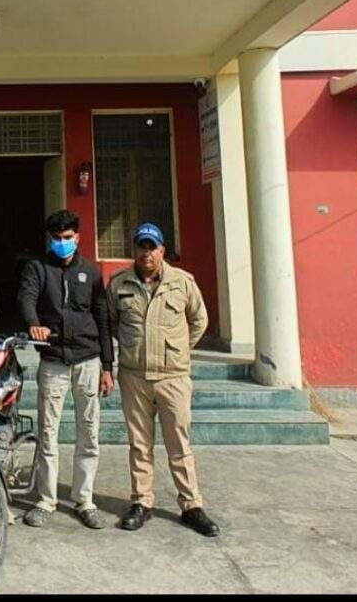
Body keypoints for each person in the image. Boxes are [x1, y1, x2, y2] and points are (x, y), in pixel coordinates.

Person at [106, 222, 220, 537]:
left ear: (162, 251)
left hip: (173, 378)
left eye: (152, 247)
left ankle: (191, 505)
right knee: (139, 444)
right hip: (134, 376)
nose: (147, 253)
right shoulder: (119, 284)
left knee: (179, 444)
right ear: (134, 250)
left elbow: (199, 320)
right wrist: (133, 348)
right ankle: (141, 502)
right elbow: (112, 322)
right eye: (141, 246)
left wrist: (178, 351)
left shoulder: (182, 283)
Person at [17, 208, 114, 531]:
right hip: (53, 360)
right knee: (48, 432)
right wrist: (34, 323)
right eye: (57, 238)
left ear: (78, 237)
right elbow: (26, 299)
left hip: (88, 360)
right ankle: (46, 500)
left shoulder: (91, 272)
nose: (62, 243)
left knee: (89, 432)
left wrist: (108, 366)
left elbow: (102, 318)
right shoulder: (38, 268)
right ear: (50, 239)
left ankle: (85, 500)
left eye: (68, 237)